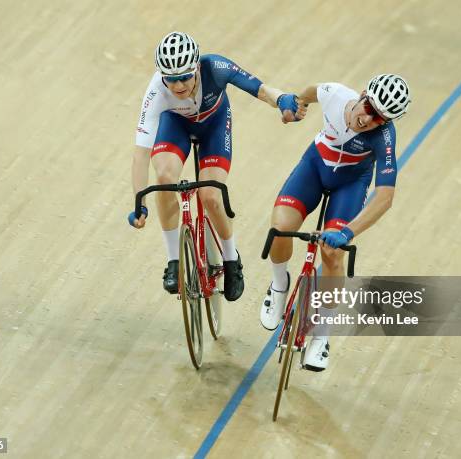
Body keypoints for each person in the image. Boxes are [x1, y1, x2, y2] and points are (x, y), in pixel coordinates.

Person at [129, 31, 303, 301]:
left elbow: (260, 89)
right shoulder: (155, 93)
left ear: (197, 66)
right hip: (176, 126)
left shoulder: (216, 67)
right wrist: (139, 201)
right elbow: (140, 154)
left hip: (214, 125)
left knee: (211, 195)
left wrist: (282, 100)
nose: (178, 86)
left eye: (185, 77)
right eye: (171, 79)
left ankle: (232, 260)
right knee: (163, 177)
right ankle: (174, 260)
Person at [259, 74, 411, 370]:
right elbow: (311, 90)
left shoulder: (384, 137)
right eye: (369, 108)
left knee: (332, 255)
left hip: (350, 185)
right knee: (280, 229)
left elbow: (384, 197)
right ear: (364, 94)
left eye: (380, 119)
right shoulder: (336, 94)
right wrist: (298, 106)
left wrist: (347, 232)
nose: (369, 120)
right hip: (314, 168)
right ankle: (279, 286)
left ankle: (321, 337)